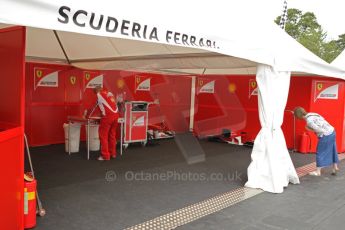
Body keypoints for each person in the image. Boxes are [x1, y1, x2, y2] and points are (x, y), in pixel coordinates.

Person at [294, 107, 339, 176]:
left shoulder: (309, 121)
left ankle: (318, 172)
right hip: (332, 131)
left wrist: (309, 129)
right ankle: (335, 167)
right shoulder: (313, 114)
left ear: (298, 116)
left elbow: (319, 130)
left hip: (325, 135)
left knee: (320, 152)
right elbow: (323, 121)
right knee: (333, 149)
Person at [93, 86, 119, 161]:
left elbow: (96, 107)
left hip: (108, 117)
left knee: (103, 136)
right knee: (112, 135)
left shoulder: (98, 95)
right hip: (116, 116)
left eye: (94, 92)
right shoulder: (109, 93)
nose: (94, 94)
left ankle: (105, 156)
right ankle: (113, 153)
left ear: (96, 91)